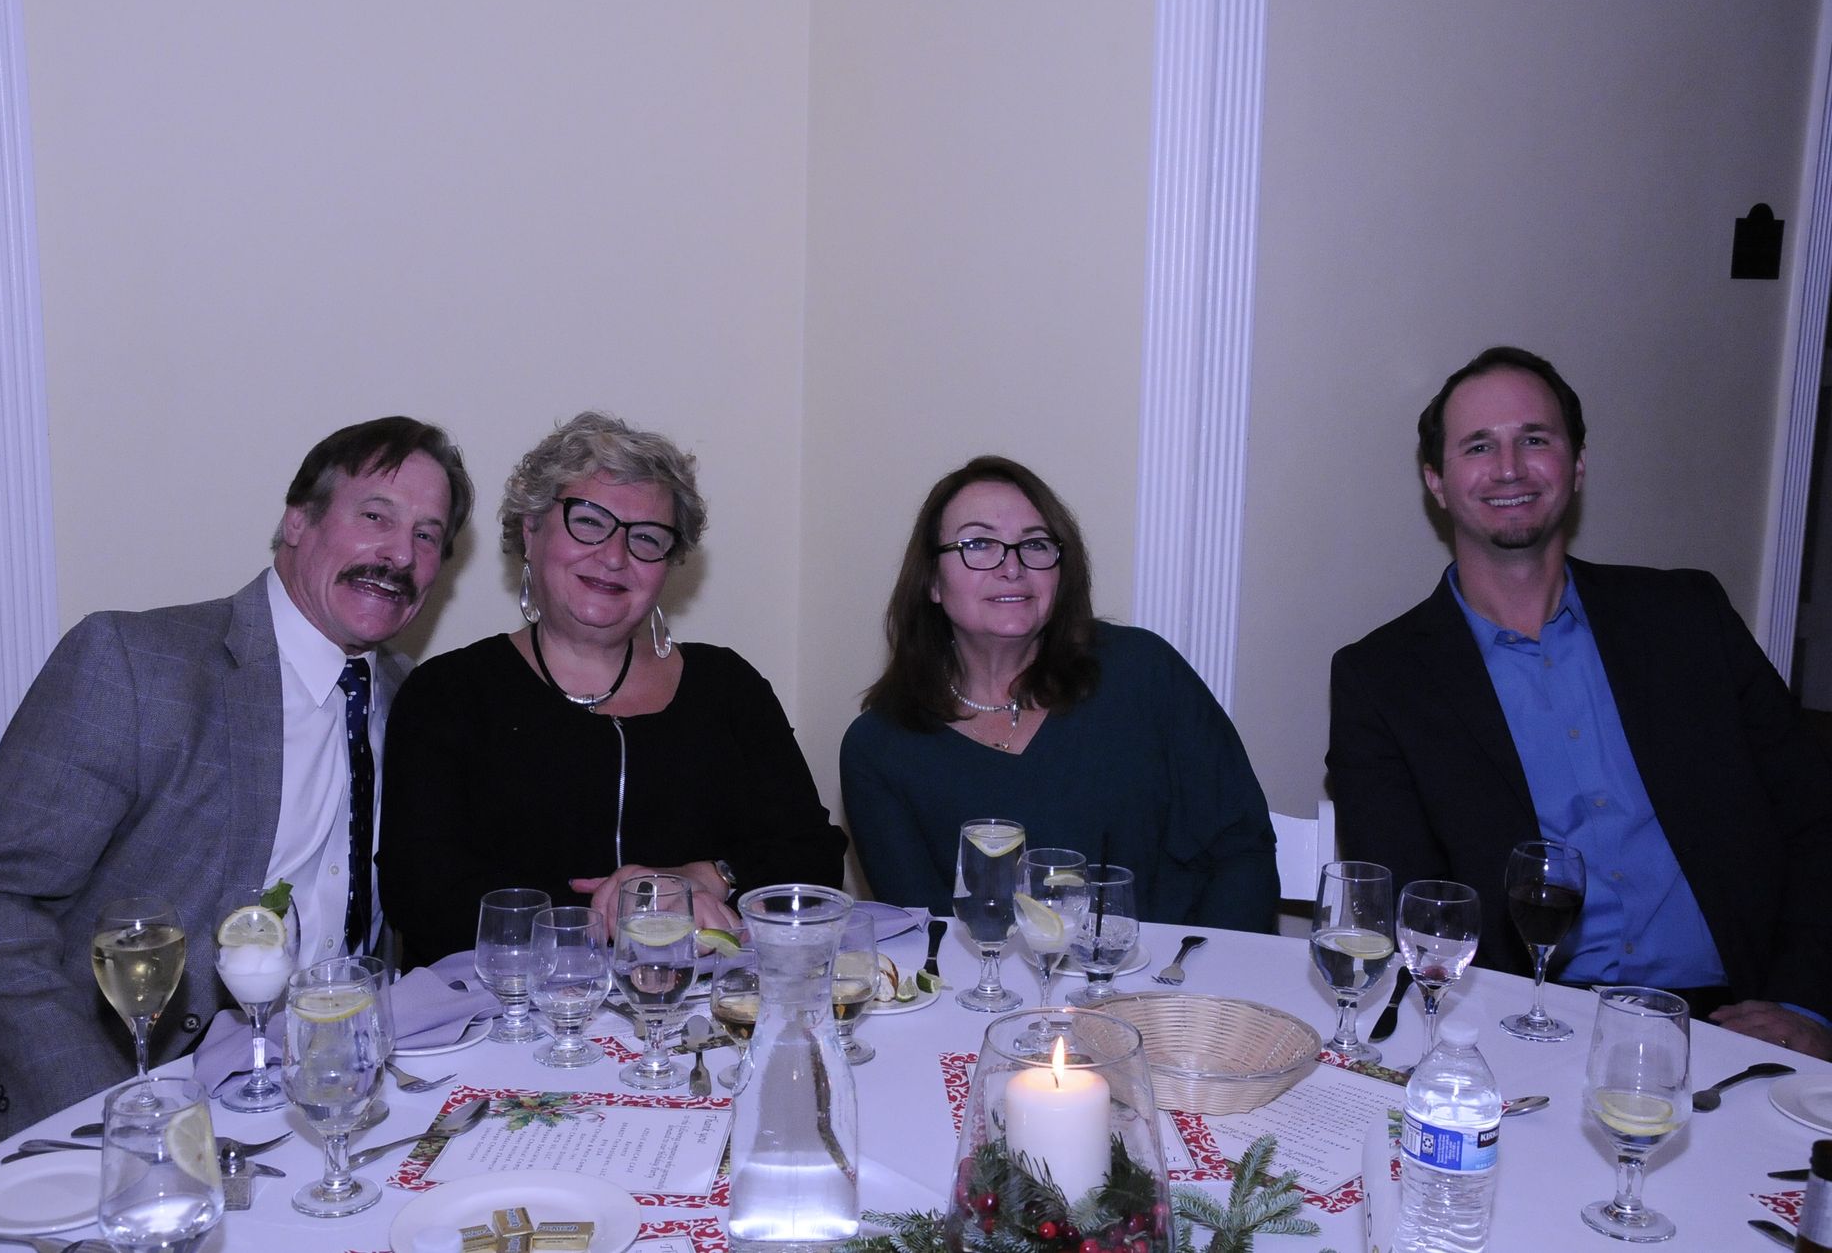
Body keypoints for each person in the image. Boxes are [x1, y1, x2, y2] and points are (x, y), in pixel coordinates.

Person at [0, 416, 473, 1172]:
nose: (399, 555)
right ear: (298, 520)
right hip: (108, 1107)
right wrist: (112, 1110)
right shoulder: (139, 668)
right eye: (375, 515)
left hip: (322, 1117)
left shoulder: (413, 703)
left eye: (429, 536)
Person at [1329, 345, 1832, 1057]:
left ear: (1578, 465)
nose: (1509, 467)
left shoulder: (1689, 619)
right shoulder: (1382, 681)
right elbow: (1418, 911)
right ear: (1436, 481)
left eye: (1534, 439)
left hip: (1734, 1022)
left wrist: (1805, 1003)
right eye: (1479, 446)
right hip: (1531, 1027)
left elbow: (1816, 818)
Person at [378, 412, 844, 967]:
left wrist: (711, 876)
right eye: (590, 521)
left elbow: (815, 860)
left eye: (647, 538)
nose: (615, 556)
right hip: (511, 1031)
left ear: (668, 566)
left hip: (706, 1021)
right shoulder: (447, 696)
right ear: (531, 531)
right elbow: (423, 898)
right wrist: (617, 914)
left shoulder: (729, 689)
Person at [840, 456, 1278, 929]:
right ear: (931, 582)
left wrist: (1200, 991)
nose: (1013, 567)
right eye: (979, 544)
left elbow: (1242, 853)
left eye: (1035, 544)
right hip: (991, 998)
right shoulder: (880, 748)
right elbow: (928, 934)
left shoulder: (1143, 672)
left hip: (1175, 985)